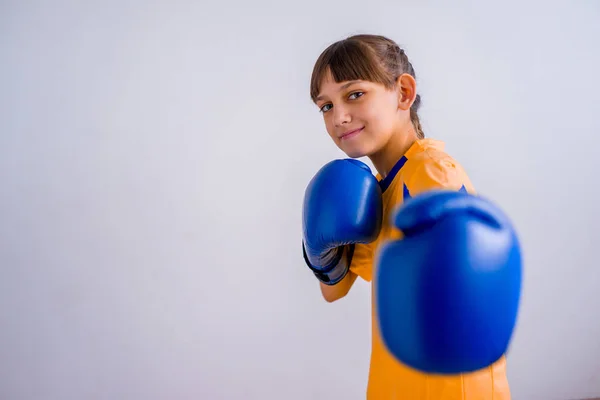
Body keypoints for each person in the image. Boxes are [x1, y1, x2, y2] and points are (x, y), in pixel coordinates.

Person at [301, 34, 519, 399]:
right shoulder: (370, 194)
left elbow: (463, 316)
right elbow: (333, 291)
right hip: (394, 384)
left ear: (403, 93)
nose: (339, 116)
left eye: (354, 94)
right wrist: (319, 249)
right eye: (325, 106)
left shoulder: (433, 175)